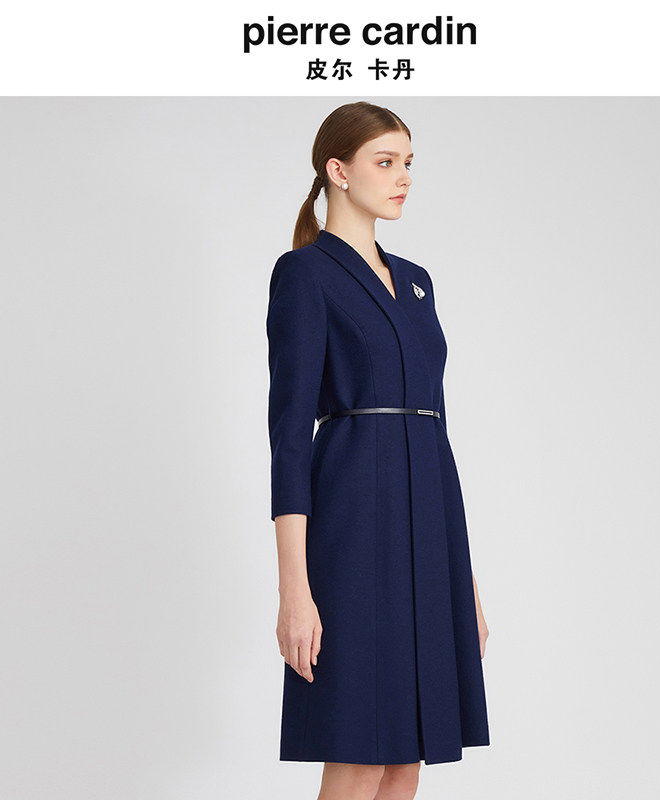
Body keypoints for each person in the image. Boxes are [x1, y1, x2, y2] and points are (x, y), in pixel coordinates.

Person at [265, 101, 490, 800]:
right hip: (354, 523)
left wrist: (465, 583)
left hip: (429, 527)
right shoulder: (305, 273)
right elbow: (288, 438)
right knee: (360, 752)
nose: (404, 178)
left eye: (408, 163)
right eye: (385, 162)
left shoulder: (417, 280)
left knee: (407, 755)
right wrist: (294, 591)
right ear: (338, 171)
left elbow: (438, 429)